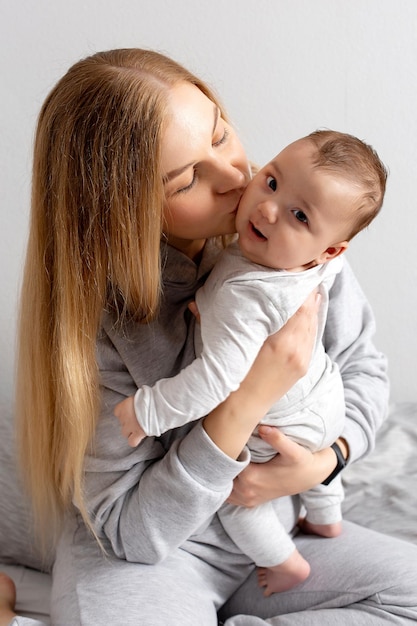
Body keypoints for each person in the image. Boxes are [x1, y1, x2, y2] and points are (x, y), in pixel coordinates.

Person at [3, 48, 417, 626]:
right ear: (124, 212)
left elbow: (363, 368)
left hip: (274, 536)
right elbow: (130, 533)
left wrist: (326, 461)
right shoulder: (103, 323)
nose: (238, 180)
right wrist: (244, 402)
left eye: (220, 137)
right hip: (157, 558)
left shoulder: (296, 230)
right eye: (187, 178)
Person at [114, 129, 387, 596]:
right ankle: (326, 517)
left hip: (286, 429)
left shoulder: (246, 294)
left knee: (236, 500)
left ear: (331, 248)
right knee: (312, 463)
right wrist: (325, 463)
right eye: (273, 181)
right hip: (325, 401)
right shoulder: (313, 261)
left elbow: (217, 379)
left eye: (299, 215)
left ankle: (284, 561)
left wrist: (149, 411)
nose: (266, 209)